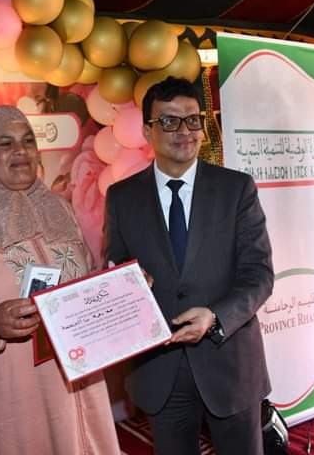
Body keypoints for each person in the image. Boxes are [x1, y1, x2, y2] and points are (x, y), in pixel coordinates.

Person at [0, 106, 120, 455]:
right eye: (5, 143)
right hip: (21, 397)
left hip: (84, 380)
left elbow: (86, 277)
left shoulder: (60, 209)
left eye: (28, 141)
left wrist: (119, 287)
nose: (20, 151)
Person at [103, 77, 274, 455]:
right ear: (146, 131)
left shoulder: (236, 189)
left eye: (193, 120)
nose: (184, 131)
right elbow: (113, 264)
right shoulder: (121, 197)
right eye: (168, 121)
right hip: (160, 369)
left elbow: (259, 275)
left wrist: (215, 316)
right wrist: (127, 279)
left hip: (229, 362)